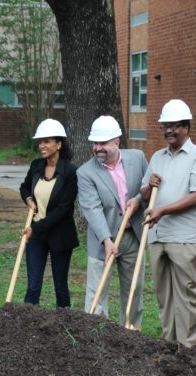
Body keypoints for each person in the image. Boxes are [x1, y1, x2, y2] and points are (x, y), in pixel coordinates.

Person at [141, 99, 196, 348]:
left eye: (174, 126)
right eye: (165, 126)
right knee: (164, 294)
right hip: (158, 235)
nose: (168, 131)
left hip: (184, 237)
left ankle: (188, 347)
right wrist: (147, 186)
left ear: (186, 127)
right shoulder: (157, 157)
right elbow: (143, 192)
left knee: (187, 294)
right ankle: (169, 344)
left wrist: (163, 210)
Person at [77, 116, 147, 327]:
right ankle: (98, 335)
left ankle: (131, 332)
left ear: (116, 142)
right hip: (102, 239)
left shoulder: (138, 158)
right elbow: (93, 209)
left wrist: (138, 199)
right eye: (95, 143)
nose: (97, 148)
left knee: (134, 289)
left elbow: (148, 189)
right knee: (96, 293)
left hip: (132, 235)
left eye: (103, 143)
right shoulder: (85, 172)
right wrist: (107, 240)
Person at [19, 119, 78, 308]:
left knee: (60, 285)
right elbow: (24, 188)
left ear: (59, 144)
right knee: (33, 285)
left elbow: (63, 209)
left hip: (60, 234)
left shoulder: (70, 172)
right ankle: (28, 322)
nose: (42, 146)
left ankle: (65, 323)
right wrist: (28, 198)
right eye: (40, 142)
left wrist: (35, 228)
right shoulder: (36, 165)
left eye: (47, 141)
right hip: (36, 236)